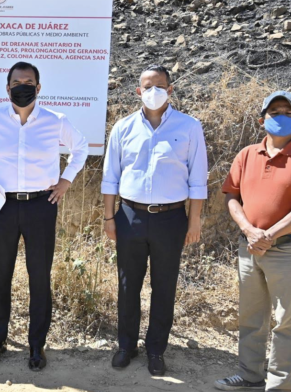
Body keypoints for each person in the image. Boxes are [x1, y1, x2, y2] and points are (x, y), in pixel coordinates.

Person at [0, 61, 88, 371]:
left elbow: (81, 148)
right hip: (2, 204)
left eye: (28, 81)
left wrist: (66, 179)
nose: (22, 86)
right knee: (0, 274)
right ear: (7, 88)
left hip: (40, 205)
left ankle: (36, 346)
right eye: (17, 82)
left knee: (39, 277)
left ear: (38, 87)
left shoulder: (55, 121)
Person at [214, 91, 291, 392]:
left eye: (289, 113)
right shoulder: (247, 155)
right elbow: (231, 196)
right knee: (251, 319)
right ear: (261, 119)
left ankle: (280, 385)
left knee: (286, 323)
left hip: (288, 251)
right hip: (249, 248)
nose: (281, 117)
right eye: (274, 111)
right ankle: (250, 376)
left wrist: (268, 235)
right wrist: (250, 231)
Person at [101, 64, 208, 376]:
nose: (153, 92)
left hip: (171, 218)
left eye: (159, 86)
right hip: (130, 215)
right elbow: (110, 177)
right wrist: (110, 217)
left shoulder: (189, 127)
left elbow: (198, 179)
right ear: (138, 92)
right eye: (147, 87)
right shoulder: (122, 128)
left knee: (164, 287)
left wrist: (195, 220)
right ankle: (126, 346)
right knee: (127, 285)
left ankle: (156, 350)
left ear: (170, 90)